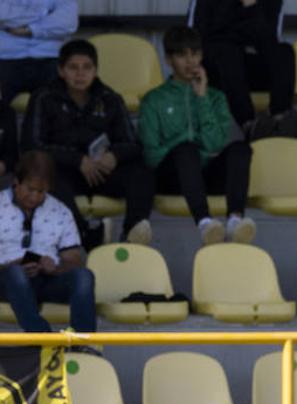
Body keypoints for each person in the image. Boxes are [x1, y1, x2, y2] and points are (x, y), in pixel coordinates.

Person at [22, 39, 153, 247]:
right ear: (61, 70)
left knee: (141, 171)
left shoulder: (110, 98)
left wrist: (114, 155)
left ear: (95, 71)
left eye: (87, 68)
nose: (80, 74)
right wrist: (77, 160)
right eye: (73, 68)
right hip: (65, 173)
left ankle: (132, 234)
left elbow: (133, 144)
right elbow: (32, 146)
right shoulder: (43, 97)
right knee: (43, 171)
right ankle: (85, 234)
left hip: (102, 172)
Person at [138, 26, 255, 247]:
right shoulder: (153, 100)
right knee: (186, 150)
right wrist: (185, 140)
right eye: (182, 55)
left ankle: (235, 220)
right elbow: (152, 156)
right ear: (169, 59)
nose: (190, 61)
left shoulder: (215, 97)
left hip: (204, 174)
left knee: (241, 149)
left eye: (195, 54)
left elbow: (216, 143)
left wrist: (201, 98)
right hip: (171, 177)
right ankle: (204, 223)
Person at [0, 150, 95, 343]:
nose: (34, 197)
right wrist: (15, 264)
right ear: (16, 182)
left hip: (46, 279)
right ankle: (44, 339)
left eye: (41, 191)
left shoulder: (60, 211)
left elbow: (73, 260)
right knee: (15, 274)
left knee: (84, 276)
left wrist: (55, 267)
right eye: (30, 189)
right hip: (5, 279)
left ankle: (83, 343)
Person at [186, 0, 297, 140]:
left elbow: (269, 42)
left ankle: (280, 119)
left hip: (246, 65)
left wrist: (251, 8)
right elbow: (196, 38)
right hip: (212, 69)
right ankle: (249, 124)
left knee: (284, 52)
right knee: (228, 51)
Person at [0, 0, 76, 108]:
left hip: (49, 59)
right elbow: (2, 14)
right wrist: (45, 12)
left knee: (57, 107)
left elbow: (68, 22)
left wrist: (29, 29)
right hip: (5, 59)